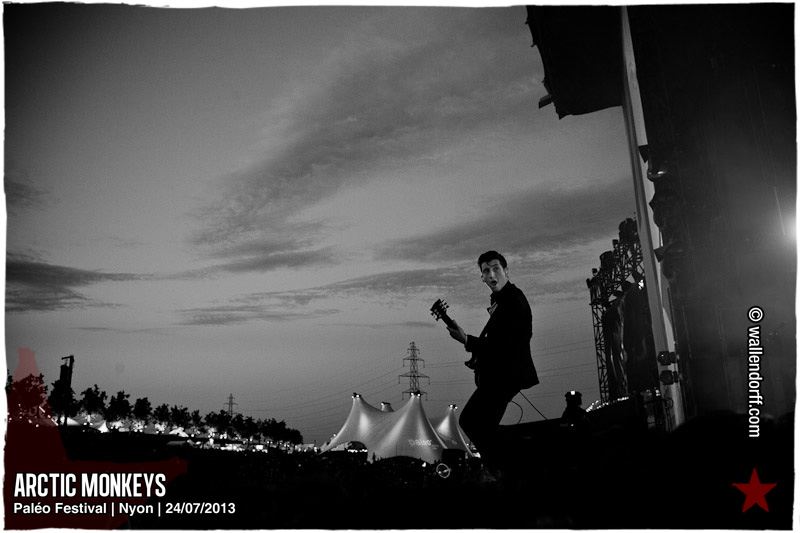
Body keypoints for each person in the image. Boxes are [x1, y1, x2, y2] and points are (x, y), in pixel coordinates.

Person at [445, 251, 538, 475]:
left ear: (506, 271)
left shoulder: (513, 299)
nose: (492, 274)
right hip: (504, 374)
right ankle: (503, 469)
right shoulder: (503, 301)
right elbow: (496, 342)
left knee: (470, 421)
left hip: (506, 375)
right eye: (486, 271)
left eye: (496, 268)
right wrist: (477, 354)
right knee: (481, 425)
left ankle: (508, 465)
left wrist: (467, 340)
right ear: (482, 278)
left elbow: (504, 343)